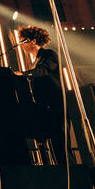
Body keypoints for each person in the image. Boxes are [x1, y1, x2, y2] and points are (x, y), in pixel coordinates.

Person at [15, 25, 65, 163]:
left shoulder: (49, 54)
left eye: (23, 41)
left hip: (57, 105)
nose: (21, 46)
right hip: (45, 107)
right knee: (53, 146)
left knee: (61, 147)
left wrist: (23, 74)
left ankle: (74, 177)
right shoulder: (34, 62)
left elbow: (43, 71)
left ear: (33, 41)